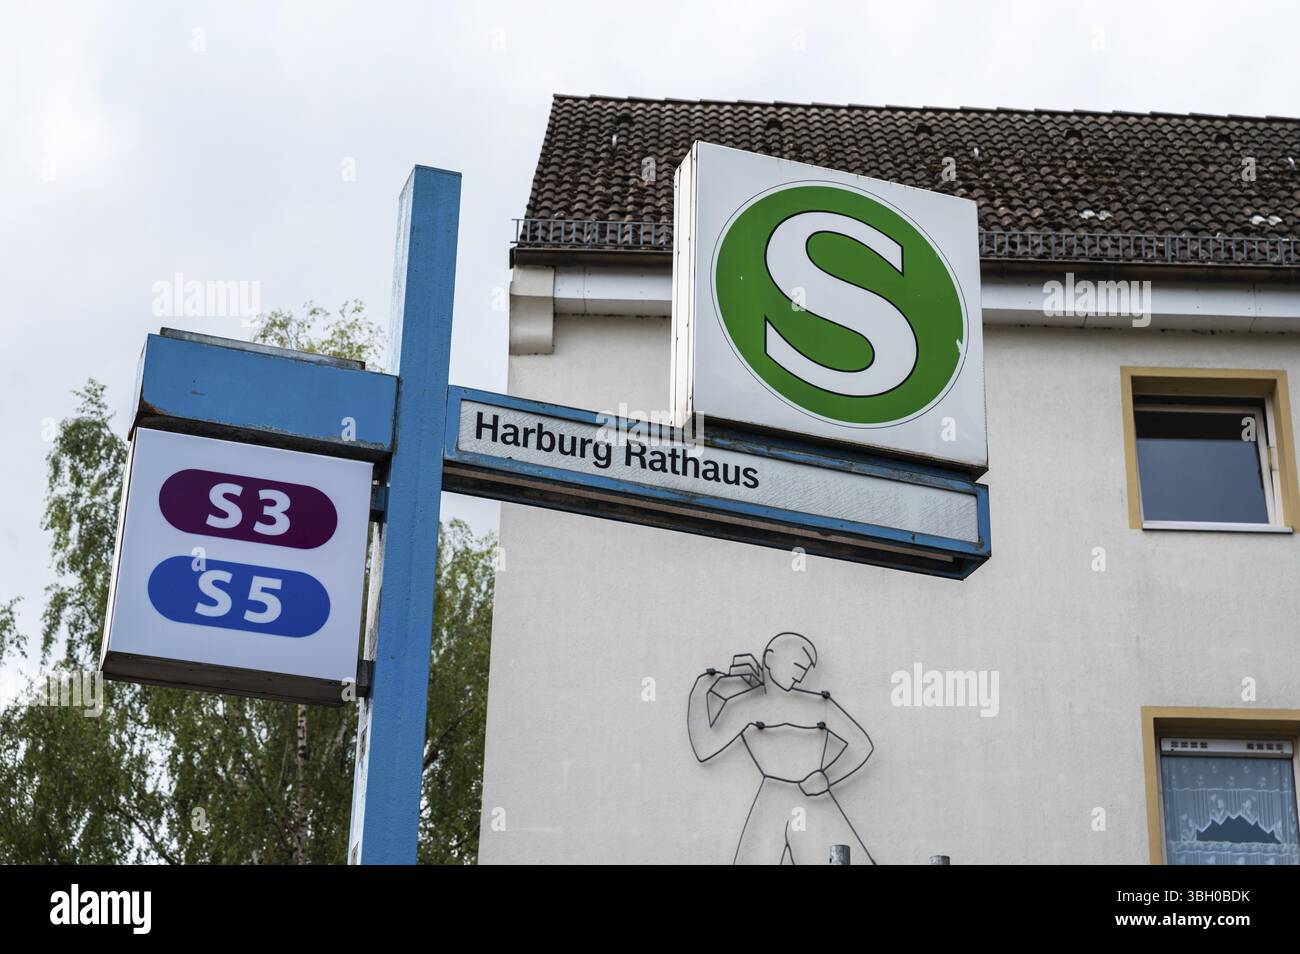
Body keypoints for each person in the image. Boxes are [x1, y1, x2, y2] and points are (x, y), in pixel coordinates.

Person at [687, 632, 876, 864]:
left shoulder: (816, 704)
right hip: (772, 799)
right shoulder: (746, 705)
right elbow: (705, 748)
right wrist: (703, 687)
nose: (800, 673)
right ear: (769, 658)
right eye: (797, 664)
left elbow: (861, 744)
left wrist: (827, 777)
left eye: (804, 669)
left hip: (811, 796)